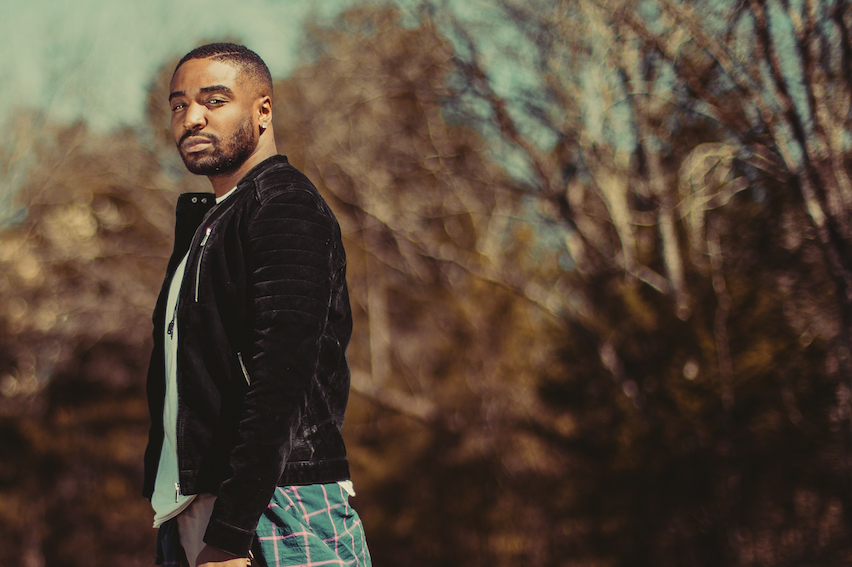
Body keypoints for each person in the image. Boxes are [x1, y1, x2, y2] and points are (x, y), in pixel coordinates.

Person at [142, 43, 370, 567]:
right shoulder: (211, 223)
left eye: (214, 100)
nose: (191, 118)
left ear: (262, 110)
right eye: (178, 105)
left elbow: (280, 383)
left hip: (279, 509)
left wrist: (230, 532)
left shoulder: (284, 207)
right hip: (196, 510)